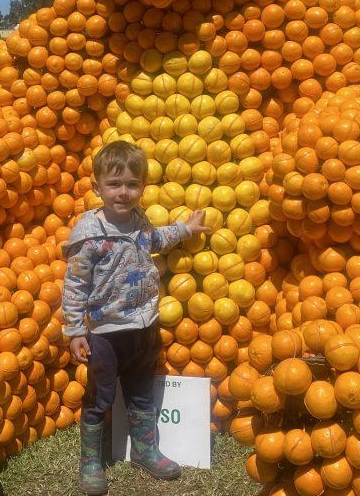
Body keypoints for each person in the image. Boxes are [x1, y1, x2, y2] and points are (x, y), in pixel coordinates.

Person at [62, 139, 210, 496]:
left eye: (131, 184)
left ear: (142, 187)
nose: (123, 192)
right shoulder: (89, 234)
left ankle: (144, 449)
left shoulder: (140, 221)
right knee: (100, 397)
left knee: (142, 393)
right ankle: (91, 461)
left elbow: (155, 240)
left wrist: (185, 229)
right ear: (97, 187)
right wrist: (75, 329)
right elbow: (75, 285)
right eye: (114, 184)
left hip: (144, 327)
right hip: (107, 333)